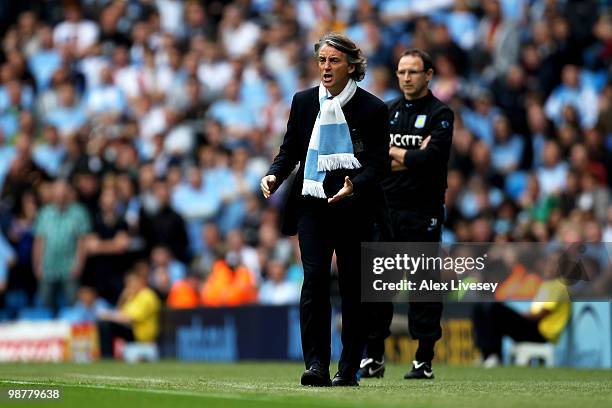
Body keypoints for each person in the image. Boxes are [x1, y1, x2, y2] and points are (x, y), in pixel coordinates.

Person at [261, 33, 389, 387]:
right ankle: (316, 364)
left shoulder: (373, 109)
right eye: (321, 60)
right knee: (314, 280)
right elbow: (290, 150)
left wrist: (356, 184)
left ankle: (348, 368)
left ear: (352, 65)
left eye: (333, 61)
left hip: (353, 207)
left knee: (352, 287)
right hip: (312, 204)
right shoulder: (303, 102)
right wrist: (273, 174)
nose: (326, 67)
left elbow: (380, 164)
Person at [360, 49, 454, 380]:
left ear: (429, 74)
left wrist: (403, 156)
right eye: (401, 72)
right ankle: (374, 357)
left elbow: (431, 161)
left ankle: (423, 359)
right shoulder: (386, 111)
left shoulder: (441, 114)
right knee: (376, 288)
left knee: (423, 288)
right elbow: (377, 159)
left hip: (422, 212)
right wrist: (412, 155)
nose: (406, 77)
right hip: (385, 211)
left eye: (413, 71)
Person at [97, 269, 161, 358]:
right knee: (104, 324)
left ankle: (107, 356)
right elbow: (119, 312)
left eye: (132, 282)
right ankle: (106, 355)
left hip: (141, 334)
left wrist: (108, 315)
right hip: (132, 330)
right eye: (127, 283)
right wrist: (122, 298)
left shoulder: (147, 295)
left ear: (141, 281)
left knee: (106, 325)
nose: (129, 285)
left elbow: (129, 318)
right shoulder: (132, 297)